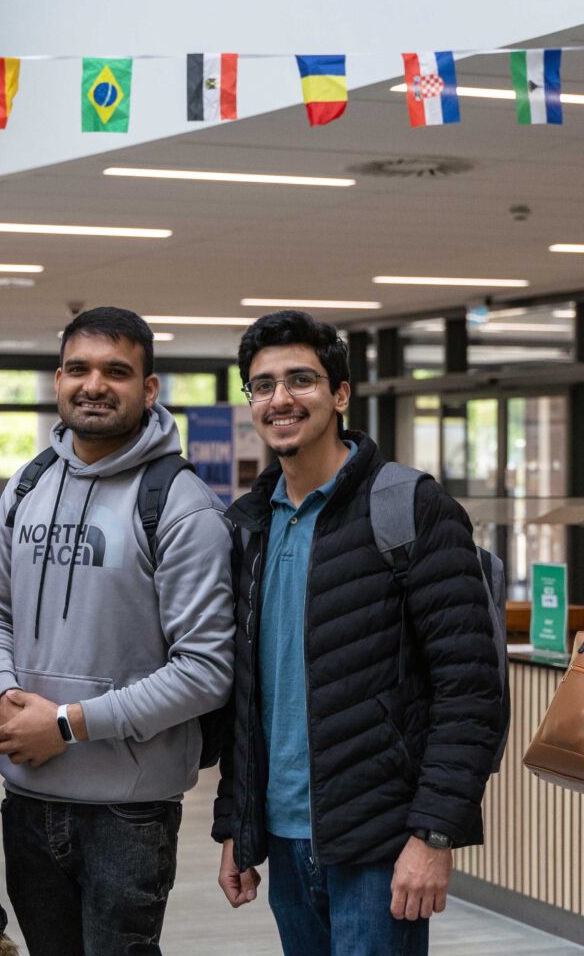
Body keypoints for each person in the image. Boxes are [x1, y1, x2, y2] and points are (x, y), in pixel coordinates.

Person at [213, 310, 504, 956]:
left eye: (300, 380)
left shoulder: (410, 509)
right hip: (286, 840)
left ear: (340, 394)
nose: (280, 399)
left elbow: (471, 689)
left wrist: (432, 835)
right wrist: (239, 822)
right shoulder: (248, 528)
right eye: (262, 385)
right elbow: (248, 696)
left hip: (381, 843)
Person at [0, 306, 235, 956]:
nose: (95, 384)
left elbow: (205, 670)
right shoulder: (26, 486)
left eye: (117, 371)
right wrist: (2, 693)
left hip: (130, 809)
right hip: (27, 796)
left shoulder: (180, 504)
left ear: (149, 389)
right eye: (79, 368)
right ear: (58, 379)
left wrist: (66, 723)